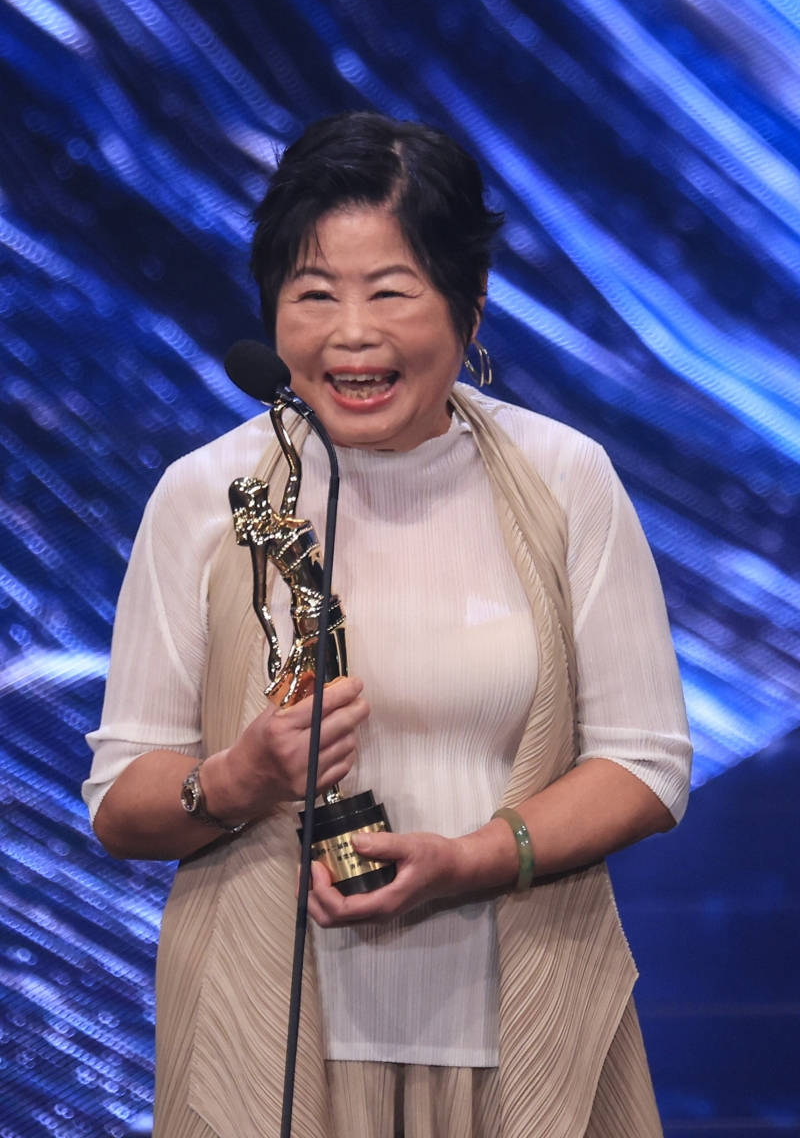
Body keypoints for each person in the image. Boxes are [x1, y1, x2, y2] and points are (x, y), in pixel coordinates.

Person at [83, 113, 692, 1138]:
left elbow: (645, 763)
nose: (351, 334)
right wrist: (237, 778)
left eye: (391, 292)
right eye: (314, 294)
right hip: (268, 1045)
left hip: (526, 1025)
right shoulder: (206, 495)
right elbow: (119, 801)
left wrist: (472, 860)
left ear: (469, 301)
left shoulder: (564, 479)